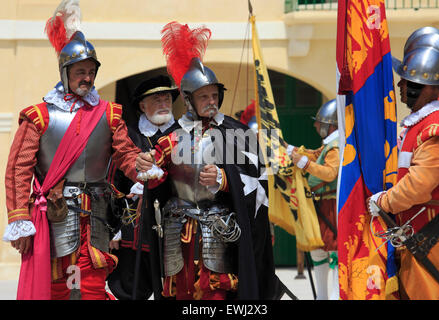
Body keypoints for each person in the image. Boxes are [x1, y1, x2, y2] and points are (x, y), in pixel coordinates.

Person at [2, 0, 147, 300]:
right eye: (80, 71)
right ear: (65, 72)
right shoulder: (40, 115)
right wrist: (19, 217)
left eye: (91, 71)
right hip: (54, 214)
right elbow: (19, 169)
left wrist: (143, 166)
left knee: (91, 286)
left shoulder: (109, 114)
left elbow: (125, 154)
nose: (87, 78)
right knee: (59, 287)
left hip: (96, 213)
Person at [136, 21, 278, 300]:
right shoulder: (172, 134)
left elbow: (260, 185)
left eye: (215, 95)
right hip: (179, 236)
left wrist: (225, 180)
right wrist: (150, 167)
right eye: (204, 96)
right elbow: (160, 182)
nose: (211, 101)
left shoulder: (238, 132)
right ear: (188, 100)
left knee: (218, 296)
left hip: (222, 235)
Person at [367, 27, 439, 300]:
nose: (400, 86)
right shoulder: (421, 123)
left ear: (425, 87)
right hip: (418, 234)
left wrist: (384, 201)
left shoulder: (435, 127)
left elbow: (419, 185)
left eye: (407, 82)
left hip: (433, 238)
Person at [107, 75, 179, 300]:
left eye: (166, 98)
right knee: (130, 288)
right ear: (142, 105)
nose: (163, 104)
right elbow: (114, 183)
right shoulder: (128, 135)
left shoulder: (183, 134)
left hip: (173, 226)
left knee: (174, 288)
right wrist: (113, 228)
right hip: (133, 228)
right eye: (156, 99)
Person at [287, 99, 339, 300]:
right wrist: (289, 148)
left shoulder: (335, 147)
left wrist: (304, 164)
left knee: (333, 250)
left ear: (329, 125)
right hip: (319, 203)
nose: (316, 126)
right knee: (318, 250)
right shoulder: (329, 146)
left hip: (330, 203)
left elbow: (330, 173)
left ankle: (334, 296)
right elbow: (315, 154)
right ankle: (322, 296)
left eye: (320, 123)